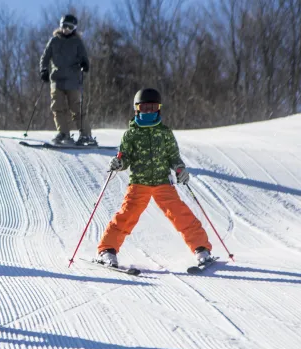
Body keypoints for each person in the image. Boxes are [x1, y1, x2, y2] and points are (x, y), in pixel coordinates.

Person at [95, 88, 214, 268]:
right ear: (137, 109)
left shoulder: (165, 133)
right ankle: (107, 251)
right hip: (139, 183)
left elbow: (174, 157)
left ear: (158, 109)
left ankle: (201, 248)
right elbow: (125, 157)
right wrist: (119, 163)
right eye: (144, 108)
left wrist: (180, 169)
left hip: (162, 183)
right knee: (126, 216)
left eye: (153, 107)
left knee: (181, 214)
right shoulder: (131, 134)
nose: (149, 111)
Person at [39, 14, 94, 146]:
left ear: (74, 28)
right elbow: (45, 58)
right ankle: (63, 133)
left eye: (70, 27)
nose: (67, 29)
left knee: (76, 108)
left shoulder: (77, 42)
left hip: (73, 80)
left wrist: (84, 64)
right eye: (64, 26)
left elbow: (84, 57)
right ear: (60, 26)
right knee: (57, 107)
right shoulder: (54, 41)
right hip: (56, 80)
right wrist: (44, 70)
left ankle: (85, 135)